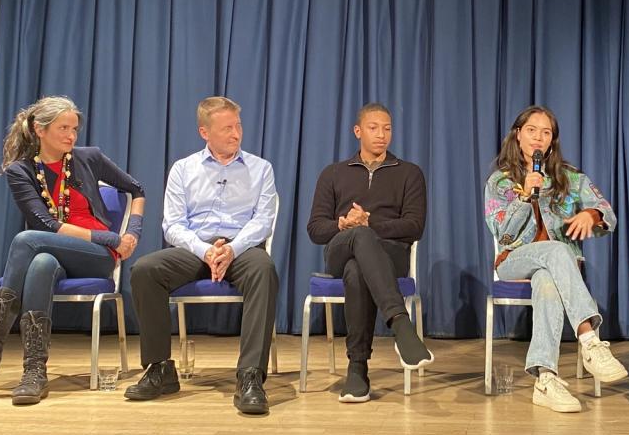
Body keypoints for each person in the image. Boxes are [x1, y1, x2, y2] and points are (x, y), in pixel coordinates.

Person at [0, 96, 145, 406]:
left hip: (96, 255)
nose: (71, 136)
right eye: (63, 128)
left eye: (74, 129)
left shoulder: (89, 157)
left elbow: (136, 190)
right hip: (58, 247)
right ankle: (34, 371)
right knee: (41, 263)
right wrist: (111, 237)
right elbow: (47, 225)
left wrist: (130, 234)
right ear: (40, 129)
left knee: (26, 240)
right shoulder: (20, 171)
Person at [125, 96, 279, 416]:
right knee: (145, 269)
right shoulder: (183, 169)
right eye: (227, 128)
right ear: (204, 132)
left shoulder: (261, 168)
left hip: (242, 248)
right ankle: (159, 368)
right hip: (194, 249)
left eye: (238, 126)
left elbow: (263, 221)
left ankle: (250, 375)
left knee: (264, 269)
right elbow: (172, 225)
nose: (236, 134)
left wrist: (231, 249)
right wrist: (205, 250)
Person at [483, 105, 627, 413]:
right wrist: (525, 197)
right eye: (531, 130)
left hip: (554, 269)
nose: (538, 137)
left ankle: (545, 379)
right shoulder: (500, 182)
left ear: (552, 140)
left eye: (546, 132)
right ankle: (589, 340)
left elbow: (609, 215)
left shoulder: (570, 179)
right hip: (514, 260)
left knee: (547, 281)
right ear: (518, 135)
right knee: (559, 250)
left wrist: (591, 214)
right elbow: (503, 234)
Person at [307, 102, 432, 403]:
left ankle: (357, 369)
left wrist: (370, 223)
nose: (381, 135)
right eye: (373, 128)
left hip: (390, 255)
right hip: (340, 248)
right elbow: (315, 229)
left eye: (387, 128)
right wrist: (343, 224)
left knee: (357, 269)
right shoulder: (333, 173)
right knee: (358, 240)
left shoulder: (410, 173)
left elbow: (414, 227)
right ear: (357, 131)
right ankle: (400, 324)